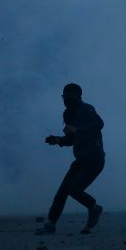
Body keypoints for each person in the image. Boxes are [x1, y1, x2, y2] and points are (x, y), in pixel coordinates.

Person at [37, 83, 105, 235]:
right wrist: (59, 140)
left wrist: (77, 129)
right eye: (64, 97)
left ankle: (93, 207)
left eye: (69, 96)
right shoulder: (68, 114)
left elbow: (99, 124)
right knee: (62, 192)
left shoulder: (87, 109)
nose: (66, 100)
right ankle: (50, 224)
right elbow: (72, 139)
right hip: (81, 159)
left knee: (74, 189)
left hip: (95, 159)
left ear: (78, 96)